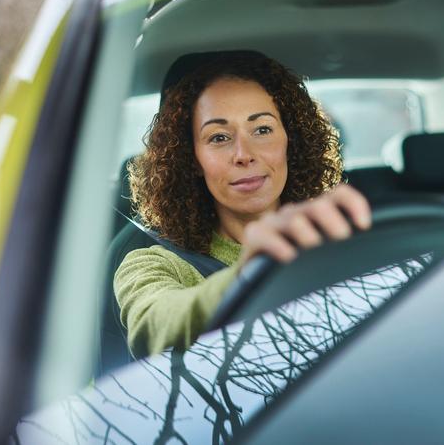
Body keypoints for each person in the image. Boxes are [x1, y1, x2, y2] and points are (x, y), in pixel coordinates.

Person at [114, 51, 371, 358]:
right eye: (219, 137)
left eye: (262, 130)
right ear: (191, 159)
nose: (244, 154)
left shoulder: (345, 238)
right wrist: (252, 274)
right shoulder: (151, 264)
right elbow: (154, 324)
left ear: (290, 140)